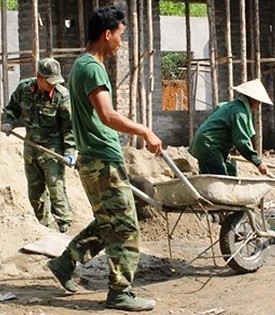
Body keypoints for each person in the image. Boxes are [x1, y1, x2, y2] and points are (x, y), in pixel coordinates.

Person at [47, 6, 162, 312]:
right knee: (126, 229)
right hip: (102, 160)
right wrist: (145, 130)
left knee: (107, 223)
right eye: (121, 36)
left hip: (93, 159)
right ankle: (120, 292)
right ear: (107, 34)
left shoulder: (81, 66)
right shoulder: (93, 68)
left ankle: (64, 263)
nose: (121, 43)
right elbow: (108, 115)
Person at [1, 58, 75, 233]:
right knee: (35, 193)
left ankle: (65, 228)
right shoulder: (24, 89)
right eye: (49, 81)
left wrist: (70, 150)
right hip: (31, 147)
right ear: (39, 77)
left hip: (52, 150)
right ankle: (45, 229)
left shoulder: (62, 96)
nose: (52, 85)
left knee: (57, 191)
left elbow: (69, 128)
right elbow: (12, 108)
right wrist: (8, 121)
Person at [188, 79, 271, 177]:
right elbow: (241, 141)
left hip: (206, 145)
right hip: (209, 146)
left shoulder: (228, 105)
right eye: (258, 101)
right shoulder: (239, 113)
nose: (258, 106)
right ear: (252, 98)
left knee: (230, 169)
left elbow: (218, 111)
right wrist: (258, 162)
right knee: (220, 178)